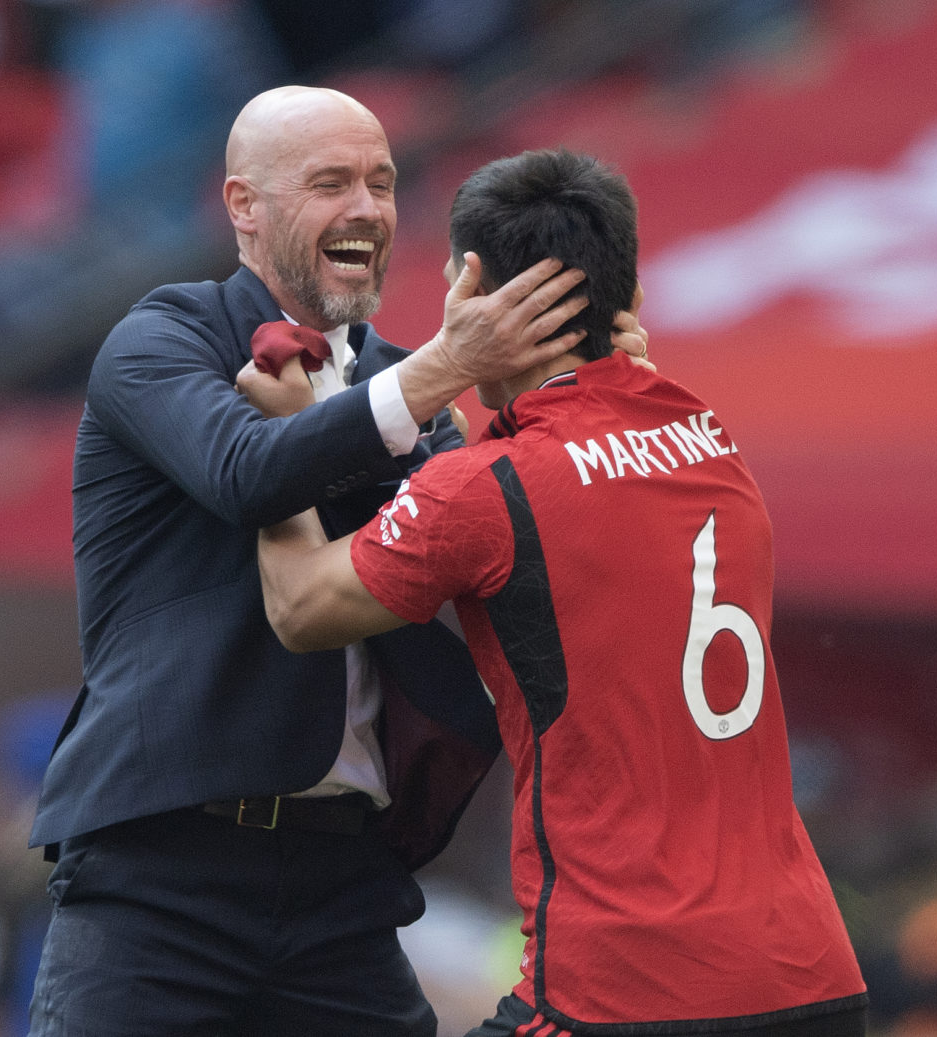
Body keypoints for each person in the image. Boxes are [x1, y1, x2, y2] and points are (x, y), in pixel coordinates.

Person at [25, 85, 625, 1035]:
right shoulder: (159, 340)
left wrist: (596, 392)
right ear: (242, 207)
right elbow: (249, 470)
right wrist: (438, 370)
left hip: (342, 883)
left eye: (382, 184)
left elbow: (501, 555)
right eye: (330, 183)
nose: (366, 209)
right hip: (159, 876)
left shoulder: (421, 402)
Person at [253, 149, 869, 1035]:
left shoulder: (485, 488)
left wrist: (283, 453)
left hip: (625, 989)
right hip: (808, 976)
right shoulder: (709, 435)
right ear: (629, 297)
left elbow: (302, 607)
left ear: (472, 285)